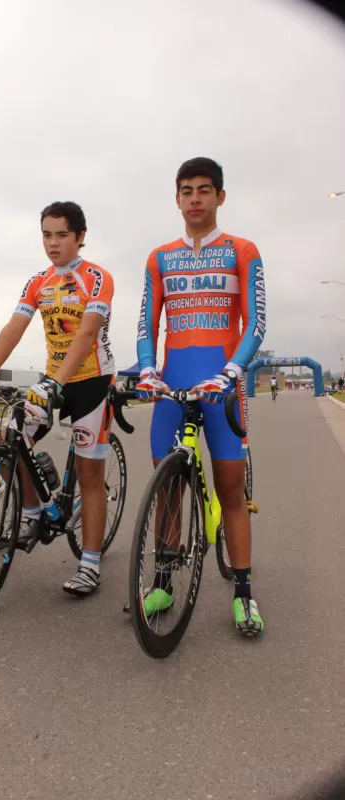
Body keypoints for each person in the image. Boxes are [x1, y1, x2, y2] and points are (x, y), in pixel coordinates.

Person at [131, 157, 266, 636]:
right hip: (173, 386)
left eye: (204, 190)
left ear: (220, 197)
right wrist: (148, 368)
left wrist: (232, 371)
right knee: (168, 488)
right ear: (177, 198)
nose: (194, 198)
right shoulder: (159, 257)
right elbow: (148, 323)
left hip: (222, 388)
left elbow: (256, 323)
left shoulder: (242, 250)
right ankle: (164, 580)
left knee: (230, 490)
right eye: (186, 190)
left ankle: (244, 593)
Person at [0, 201, 115, 596]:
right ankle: (32, 512)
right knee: (10, 437)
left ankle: (89, 564)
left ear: (80, 237)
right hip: (54, 380)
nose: (52, 243)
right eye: (46, 235)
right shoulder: (38, 281)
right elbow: (15, 326)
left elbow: (86, 335)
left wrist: (57, 384)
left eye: (61, 235)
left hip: (90, 383)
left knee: (89, 476)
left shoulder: (97, 278)